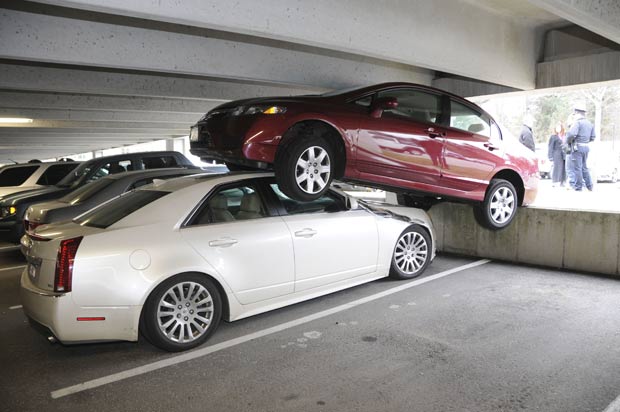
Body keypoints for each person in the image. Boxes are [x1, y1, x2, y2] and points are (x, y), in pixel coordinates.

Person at [565, 101, 595, 191]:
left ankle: (578, 187)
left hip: (577, 147)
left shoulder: (577, 123)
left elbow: (571, 134)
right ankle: (590, 186)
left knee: (577, 168)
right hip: (586, 147)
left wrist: (569, 142)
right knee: (584, 167)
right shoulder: (590, 123)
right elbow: (593, 137)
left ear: (577, 113)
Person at [547, 122, 566, 187]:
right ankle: (555, 181)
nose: (558, 129)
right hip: (556, 154)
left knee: (563, 168)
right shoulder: (553, 137)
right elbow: (550, 147)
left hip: (564, 154)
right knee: (557, 168)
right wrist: (550, 156)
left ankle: (562, 181)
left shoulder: (564, 136)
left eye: (559, 127)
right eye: (557, 127)